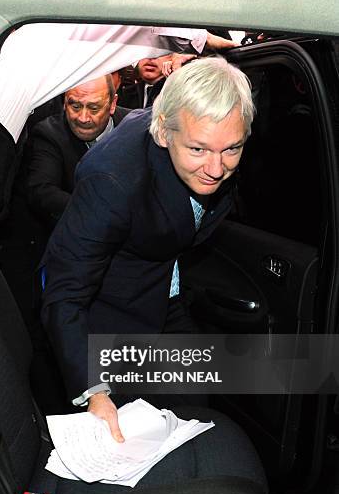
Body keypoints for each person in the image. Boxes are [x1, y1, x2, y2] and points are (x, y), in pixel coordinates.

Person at [41, 57, 254, 441]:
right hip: (109, 317)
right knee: (132, 437)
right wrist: (94, 390)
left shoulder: (215, 138)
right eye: (199, 150)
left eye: (232, 150)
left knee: (193, 413)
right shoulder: (112, 179)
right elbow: (64, 291)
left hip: (163, 293)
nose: (216, 168)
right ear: (163, 133)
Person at [26, 75, 130, 229]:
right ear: (64, 101)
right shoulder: (49, 134)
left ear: (113, 104)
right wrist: (102, 213)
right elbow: (43, 191)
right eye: (75, 106)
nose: (83, 118)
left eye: (94, 108)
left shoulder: (135, 127)